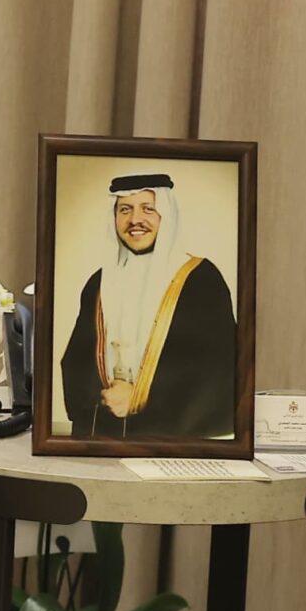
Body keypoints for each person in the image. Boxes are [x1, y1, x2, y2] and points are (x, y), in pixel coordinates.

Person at [59, 173, 237, 438]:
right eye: (125, 210)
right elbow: (77, 359)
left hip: (171, 435)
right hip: (105, 431)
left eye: (148, 209)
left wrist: (141, 398)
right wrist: (105, 396)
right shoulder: (99, 282)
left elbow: (215, 366)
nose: (135, 220)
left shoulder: (200, 278)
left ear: (166, 214)